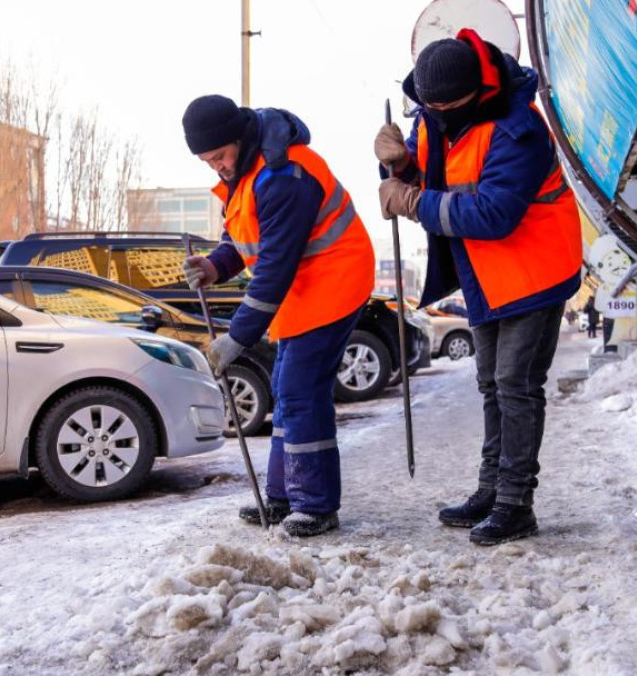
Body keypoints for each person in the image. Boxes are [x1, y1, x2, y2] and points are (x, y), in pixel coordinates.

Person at [376, 30, 582, 546]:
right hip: (488, 276)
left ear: (473, 94)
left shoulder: (519, 130)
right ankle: (491, 490)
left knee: (515, 385)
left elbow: (494, 213)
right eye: (426, 105)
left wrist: (410, 200)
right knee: (490, 383)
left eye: (443, 105)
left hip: (535, 272)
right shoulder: (436, 117)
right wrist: (401, 164)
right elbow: (432, 173)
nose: (433, 113)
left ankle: (516, 504)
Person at [182, 95, 375, 537]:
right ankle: (284, 495)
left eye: (220, 156)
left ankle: (316, 504)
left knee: (301, 389)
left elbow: (274, 265)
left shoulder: (285, 174)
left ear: (238, 137)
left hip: (334, 279)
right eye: (207, 161)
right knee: (285, 388)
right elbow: (245, 238)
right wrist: (215, 265)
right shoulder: (247, 173)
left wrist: (238, 336)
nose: (218, 167)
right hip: (303, 289)